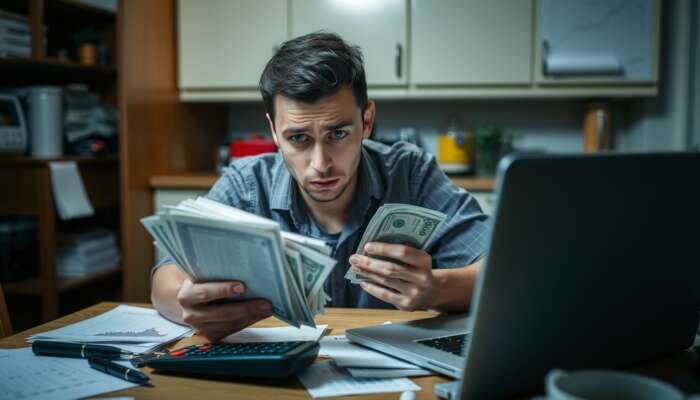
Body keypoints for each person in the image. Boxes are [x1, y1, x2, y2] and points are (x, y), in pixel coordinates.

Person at [151, 32, 490, 342]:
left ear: (367, 120)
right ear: (273, 131)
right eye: (298, 138)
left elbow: (499, 269)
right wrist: (187, 304)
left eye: (338, 133)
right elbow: (164, 278)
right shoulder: (246, 185)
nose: (320, 163)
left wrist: (435, 289)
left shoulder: (410, 174)